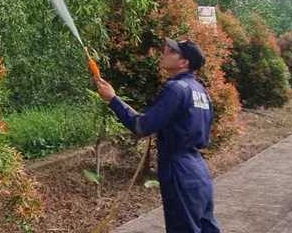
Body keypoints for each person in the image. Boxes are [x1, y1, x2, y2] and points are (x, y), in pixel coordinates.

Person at [94, 37, 220, 233]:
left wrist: (112, 99)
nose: (164, 53)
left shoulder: (175, 89)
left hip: (179, 170)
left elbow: (141, 126)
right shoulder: (201, 92)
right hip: (199, 172)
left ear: (183, 62)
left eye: (170, 51)